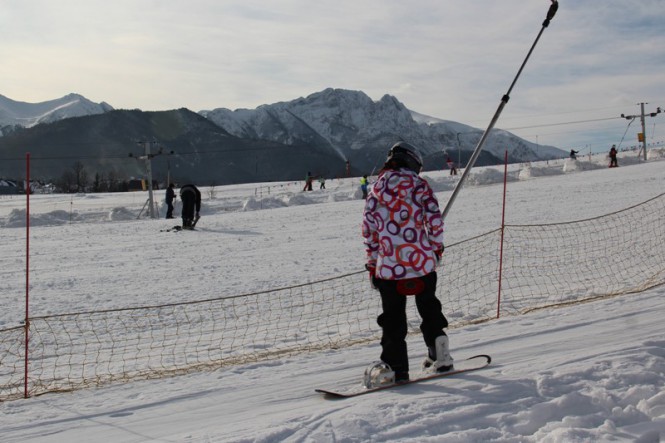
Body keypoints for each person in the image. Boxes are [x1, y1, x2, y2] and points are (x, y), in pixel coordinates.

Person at [361, 141, 453, 385]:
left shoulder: (375, 190)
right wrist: (435, 249)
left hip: (389, 267)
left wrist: (373, 264)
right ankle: (440, 353)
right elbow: (435, 223)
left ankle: (396, 368)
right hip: (422, 263)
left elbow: (369, 232)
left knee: (393, 318)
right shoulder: (421, 186)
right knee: (429, 308)